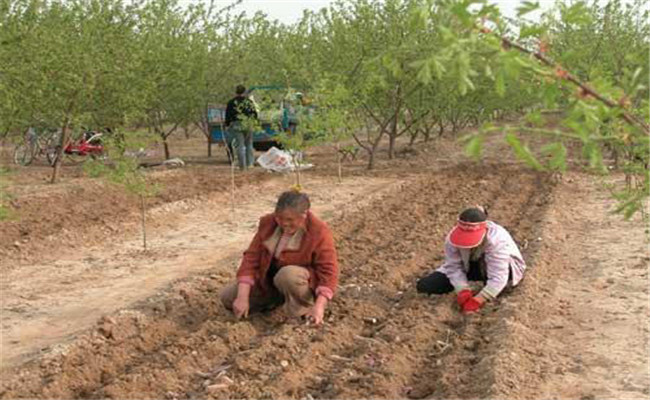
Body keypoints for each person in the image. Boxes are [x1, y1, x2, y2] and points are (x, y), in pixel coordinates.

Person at [220, 190, 339, 325]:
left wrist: (319, 306)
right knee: (228, 297)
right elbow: (251, 258)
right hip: (269, 282)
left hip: (299, 284)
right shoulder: (268, 224)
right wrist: (242, 297)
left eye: (290, 219)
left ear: (304, 215)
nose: (284, 223)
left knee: (287, 275)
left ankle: (303, 309)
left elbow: (328, 271)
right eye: (279, 218)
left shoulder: (318, 231)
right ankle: (272, 302)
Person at [416, 207, 526, 314]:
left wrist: (478, 300)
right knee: (426, 286)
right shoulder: (453, 237)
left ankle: (487, 287)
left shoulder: (497, 240)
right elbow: (453, 266)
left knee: (500, 283)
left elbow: (499, 276)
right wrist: (462, 290)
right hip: (470, 265)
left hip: (497, 267)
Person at [225, 85, 259, 170]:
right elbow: (254, 114)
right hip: (248, 124)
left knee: (239, 145)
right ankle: (250, 164)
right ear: (244, 92)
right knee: (249, 144)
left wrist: (227, 124)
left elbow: (228, 115)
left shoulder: (231, 102)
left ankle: (242, 166)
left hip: (236, 125)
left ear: (236, 92)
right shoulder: (249, 102)